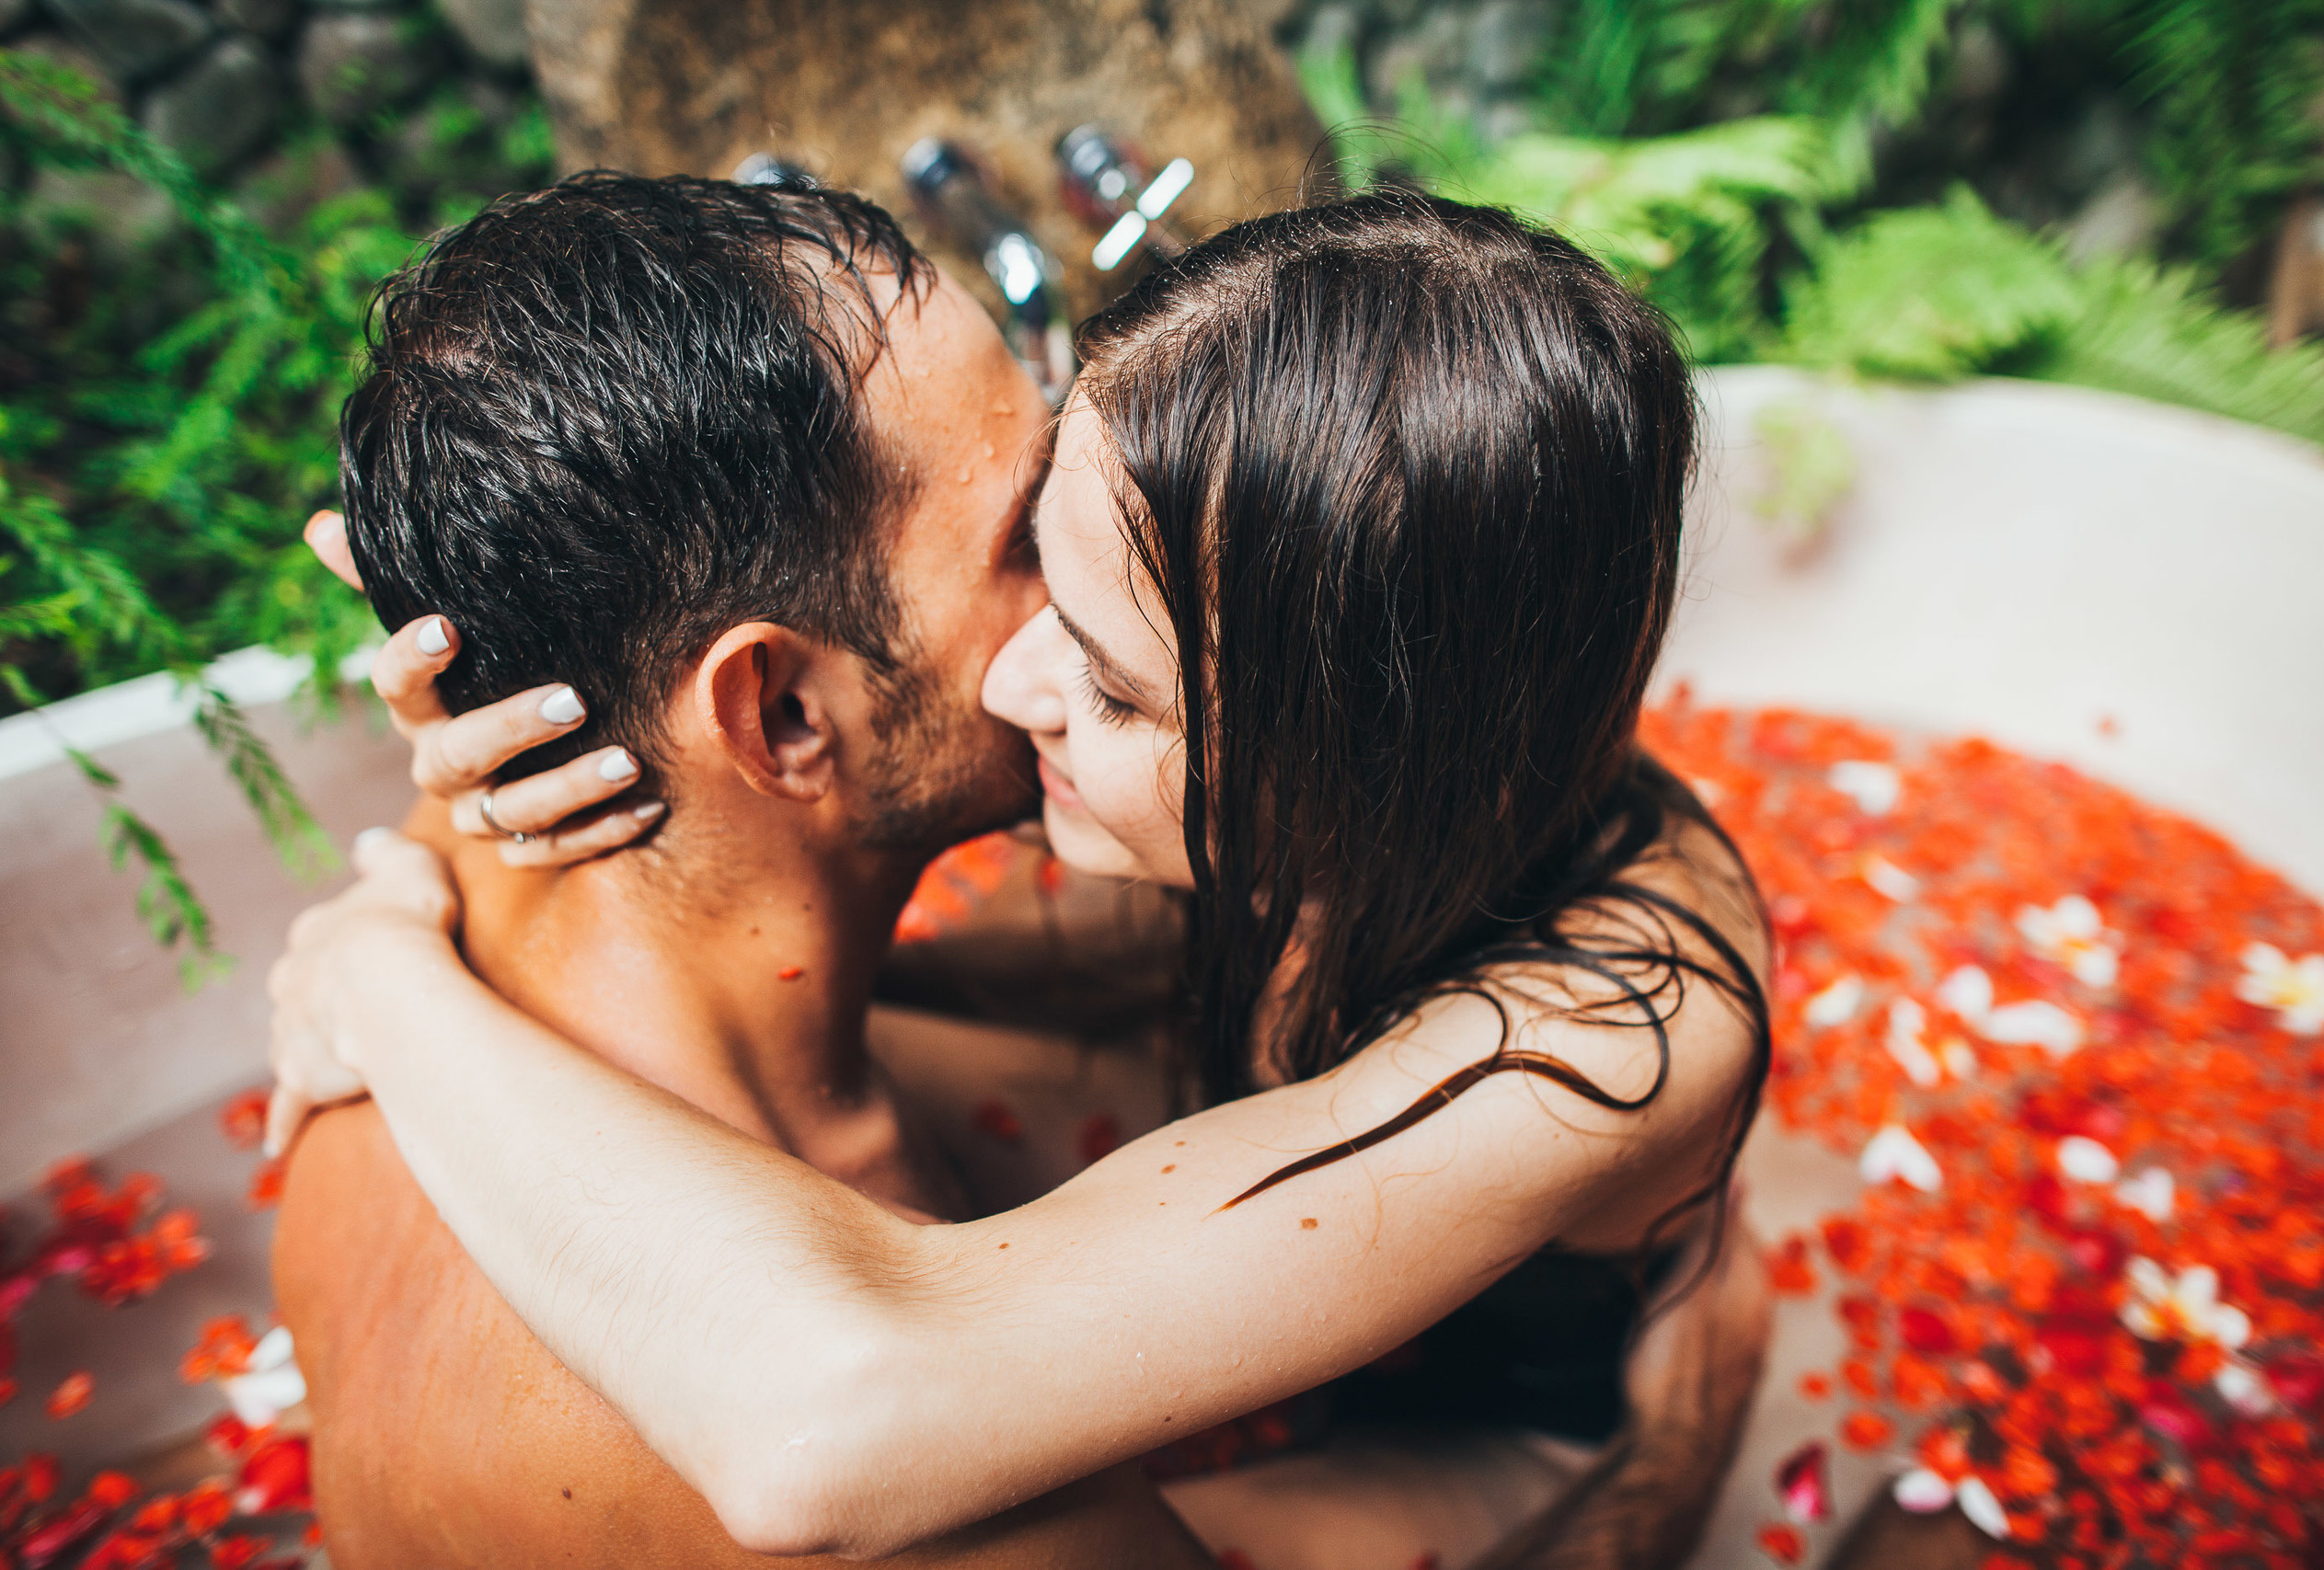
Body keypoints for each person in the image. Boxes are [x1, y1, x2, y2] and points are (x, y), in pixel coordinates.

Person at [270, 185, 1775, 1568]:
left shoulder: (429, 964)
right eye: (1024, 548)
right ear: (782, 714)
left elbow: (841, 1409)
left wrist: (398, 928)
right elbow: (829, 1411)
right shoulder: (810, 1435)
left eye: (1117, 676)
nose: (1050, 644)